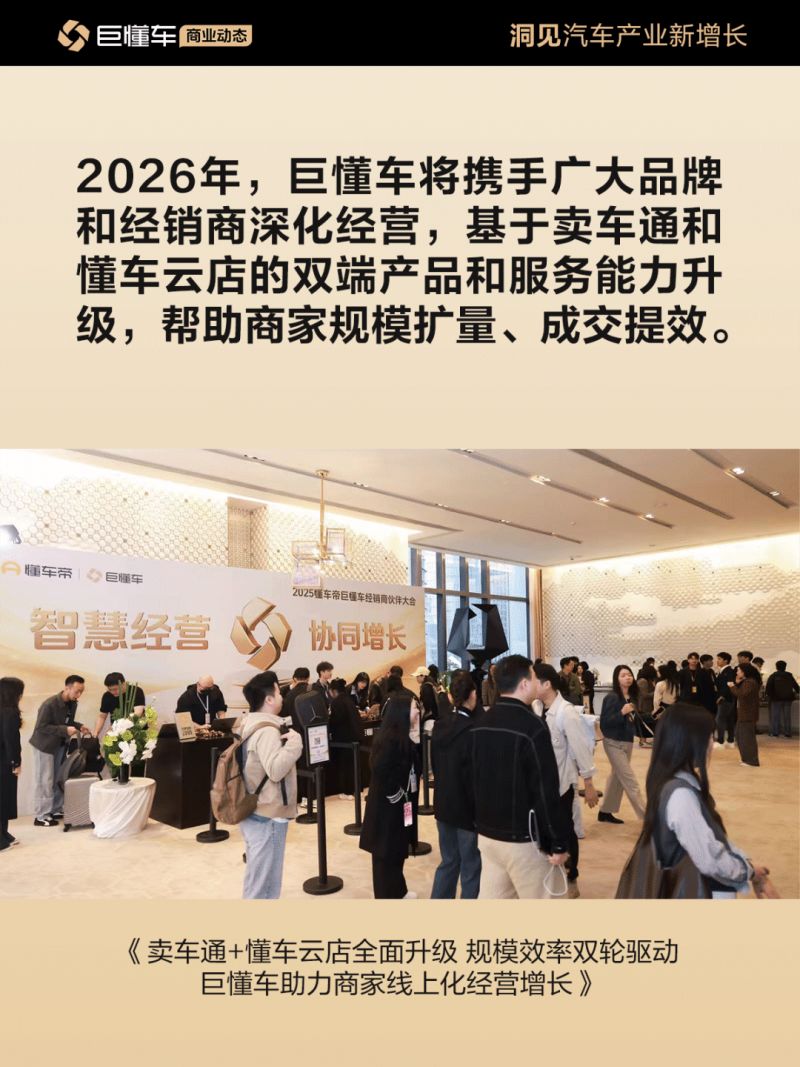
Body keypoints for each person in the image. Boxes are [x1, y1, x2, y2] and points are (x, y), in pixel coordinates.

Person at [628, 702, 777, 898]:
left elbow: (712, 841)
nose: (711, 744)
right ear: (689, 741)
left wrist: (748, 866)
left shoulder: (675, 781)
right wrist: (748, 871)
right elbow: (709, 858)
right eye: (708, 736)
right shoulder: (681, 795)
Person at [468, 654, 571, 899]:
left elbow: (471, 780)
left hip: (488, 836)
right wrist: (557, 841)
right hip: (524, 840)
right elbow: (545, 789)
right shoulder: (533, 727)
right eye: (534, 677)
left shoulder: (480, 723)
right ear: (524, 684)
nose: (537, 682)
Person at [532, 662, 599, 898]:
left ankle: (571, 876)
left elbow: (581, 748)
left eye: (533, 680)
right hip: (539, 783)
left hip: (561, 784)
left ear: (546, 685)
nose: (529, 684)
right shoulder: (536, 706)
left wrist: (588, 784)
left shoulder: (566, 712)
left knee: (565, 830)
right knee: (543, 828)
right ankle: (551, 870)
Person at [237, 670, 303, 899]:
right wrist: (295, 745)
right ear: (269, 699)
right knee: (265, 885)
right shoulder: (267, 730)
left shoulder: (249, 724)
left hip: (254, 809)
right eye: (278, 692)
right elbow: (275, 770)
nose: (282, 696)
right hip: (268, 814)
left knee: (258, 878)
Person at [359, 697, 422, 898]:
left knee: (398, 849)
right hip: (388, 809)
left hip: (403, 806)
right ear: (401, 712)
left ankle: (399, 890)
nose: (418, 711)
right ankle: (387, 895)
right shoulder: (389, 740)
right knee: (385, 854)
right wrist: (397, 794)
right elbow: (381, 770)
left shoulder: (403, 736)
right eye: (414, 708)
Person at [430, 672, 482, 899]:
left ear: (451, 696)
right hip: (467, 810)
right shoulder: (474, 730)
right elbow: (475, 776)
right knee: (471, 866)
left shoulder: (439, 725)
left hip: (443, 803)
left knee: (449, 861)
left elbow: (435, 766)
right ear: (473, 695)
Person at [29, 675, 89, 826]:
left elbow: (67, 721)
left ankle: (55, 809)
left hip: (59, 745)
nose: (79, 695)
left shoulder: (72, 703)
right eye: (77, 691)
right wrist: (65, 730)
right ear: (67, 688)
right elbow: (41, 727)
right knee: (45, 780)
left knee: (58, 778)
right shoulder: (49, 704)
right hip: (44, 746)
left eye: (81, 692)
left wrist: (79, 726)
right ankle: (41, 815)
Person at [597, 665, 646, 825]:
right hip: (613, 742)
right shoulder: (611, 698)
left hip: (627, 741)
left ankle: (605, 811)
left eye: (629, 674)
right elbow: (604, 723)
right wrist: (621, 713)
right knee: (630, 780)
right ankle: (648, 818)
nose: (627, 677)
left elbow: (635, 720)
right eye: (623, 675)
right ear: (617, 679)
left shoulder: (633, 697)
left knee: (617, 777)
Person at [327, 678, 365, 797]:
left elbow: (336, 721)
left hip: (345, 739)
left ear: (333, 691)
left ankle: (348, 791)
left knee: (346, 766)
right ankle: (357, 789)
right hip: (355, 737)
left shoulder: (337, 702)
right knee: (355, 765)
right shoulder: (348, 699)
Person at [0, 677, 24, 851]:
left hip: (3, 760)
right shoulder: (9, 712)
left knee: (3, 799)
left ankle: (4, 834)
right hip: (4, 763)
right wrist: (15, 762)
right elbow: (11, 741)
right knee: (3, 799)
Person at [94, 672, 146, 738]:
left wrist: (119, 726)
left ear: (124, 684)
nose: (113, 692)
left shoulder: (136, 691)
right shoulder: (107, 696)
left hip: (137, 731)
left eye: (115, 689)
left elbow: (138, 713)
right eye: (110, 689)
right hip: (116, 733)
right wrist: (96, 732)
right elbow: (102, 716)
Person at [730, 663, 761, 767]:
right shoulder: (748, 681)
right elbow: (742, 692)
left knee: (746, 738)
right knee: (740, 736)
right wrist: (737, 683)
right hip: (744, 714)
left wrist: (732, 686)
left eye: (738, 670)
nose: (737, 672)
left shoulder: (749, 682)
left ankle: (751, 760)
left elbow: (742, 694)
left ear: (744, 672)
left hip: (747, 714)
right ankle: (746, 758)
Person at [766, 661, 798, 738]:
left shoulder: (773, 676)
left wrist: (770, 696)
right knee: (787, 716)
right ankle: (787, 733)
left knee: (776, 716)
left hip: (776, 698)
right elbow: (796, 686)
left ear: (776, 667)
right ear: (785, 667)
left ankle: (775, 732)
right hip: (788, 698)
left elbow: (768, 687)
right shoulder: (789, 675)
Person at [714, 652, 737, 748]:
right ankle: (730, 740)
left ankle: (720, 741)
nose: (717, 661)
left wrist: (722, 696)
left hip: (726, 699)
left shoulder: (729, 671)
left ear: (726, 660)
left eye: (719, 659)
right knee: (729, 719)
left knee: (720, 719)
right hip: (727, 698)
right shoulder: (722, 671)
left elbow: (730, 684)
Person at [635, 664, 658, 746]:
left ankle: (643, 741)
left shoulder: (646, 681)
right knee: (643, 724)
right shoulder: (643, 681)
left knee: (645, 724)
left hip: (645, 705)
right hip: (643, 706)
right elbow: (644, 695)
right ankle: (642, 741)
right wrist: (656, 692)